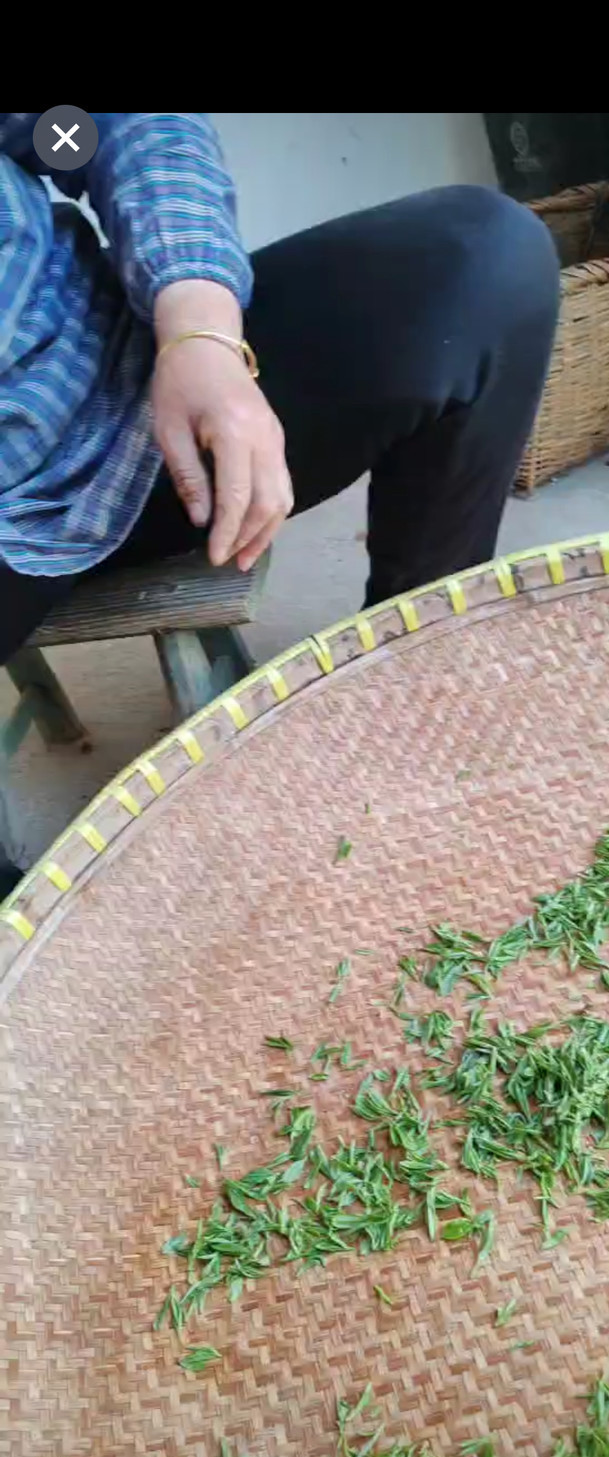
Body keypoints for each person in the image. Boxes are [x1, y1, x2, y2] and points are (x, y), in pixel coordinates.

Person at [0, 112, 560, 893]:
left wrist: (199, 332)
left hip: (131, 377)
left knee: (487, 256)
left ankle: (413, 681)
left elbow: (101, 126)